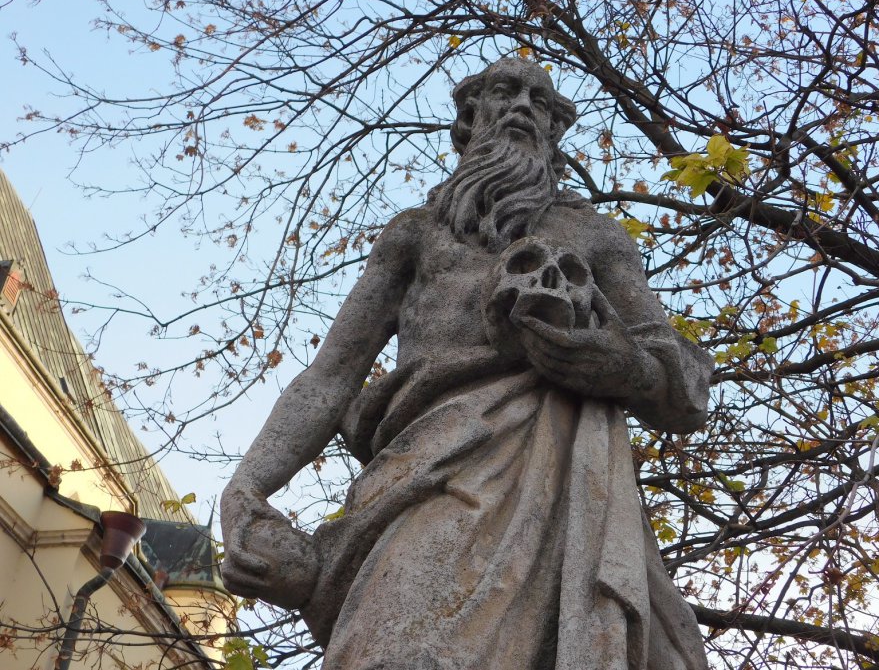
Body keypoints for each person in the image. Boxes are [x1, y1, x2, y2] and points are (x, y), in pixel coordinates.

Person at [221, 58, 713, 669]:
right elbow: (329, 378)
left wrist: (617, 363)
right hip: (427, 472)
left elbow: (682, 386)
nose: (522, 107)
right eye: (505, 93)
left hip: (563, 478)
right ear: (470, 117)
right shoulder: (415, 235)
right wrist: (248, 484)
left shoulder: (596, 238)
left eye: (539, 101)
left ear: (555, 130)